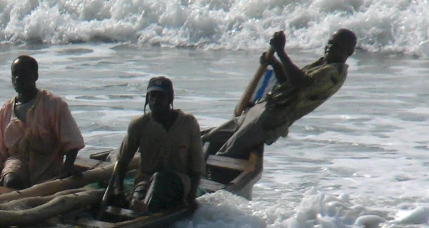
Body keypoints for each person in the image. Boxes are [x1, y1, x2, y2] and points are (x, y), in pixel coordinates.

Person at [202, 28, 358, 160]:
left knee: (229, 151)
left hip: (271, 119)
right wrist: (275, 63)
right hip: (261, 109)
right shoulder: (322, 63)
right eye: (330, 42)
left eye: (337, 46)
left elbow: (300, 82)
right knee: (208, 139)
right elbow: (288, 83)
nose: (330, 47)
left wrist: (281, 52)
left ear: (348, 52)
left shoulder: (334, 73)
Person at [0, 55, 85, 189]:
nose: (18, 78)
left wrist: (67, 168)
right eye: (14, 75)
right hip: (17, 163)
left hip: (48, 164)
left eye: (23, 74)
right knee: (11, 180)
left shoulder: (54, 105)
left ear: (35, 76)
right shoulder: (6, 110)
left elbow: (72, 143)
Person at [110, 76, 205, 214]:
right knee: (138, 196)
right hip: (146, 182)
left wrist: (191, 198)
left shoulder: (188, 123)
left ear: (170, 99)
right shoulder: (139, 125)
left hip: (178, 182)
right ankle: (139, 208)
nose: (155, 100)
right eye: (152, 96)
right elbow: (122, 161)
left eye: (160, 96)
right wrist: (118, 189)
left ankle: (144, 212)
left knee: (160, 180)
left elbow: (197, 166)